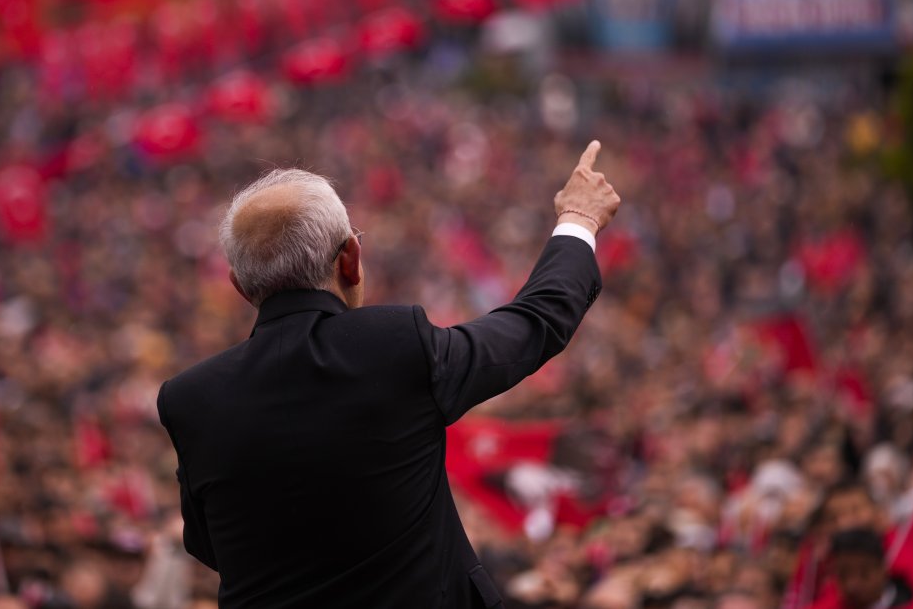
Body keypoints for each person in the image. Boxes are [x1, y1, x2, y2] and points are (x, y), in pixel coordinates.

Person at [156, 141, 621, 608]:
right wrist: (579, 219)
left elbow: (207, 543)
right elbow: (532, 324)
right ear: (350, 259)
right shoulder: (393, 344)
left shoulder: (189, 399)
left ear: (239, 286)